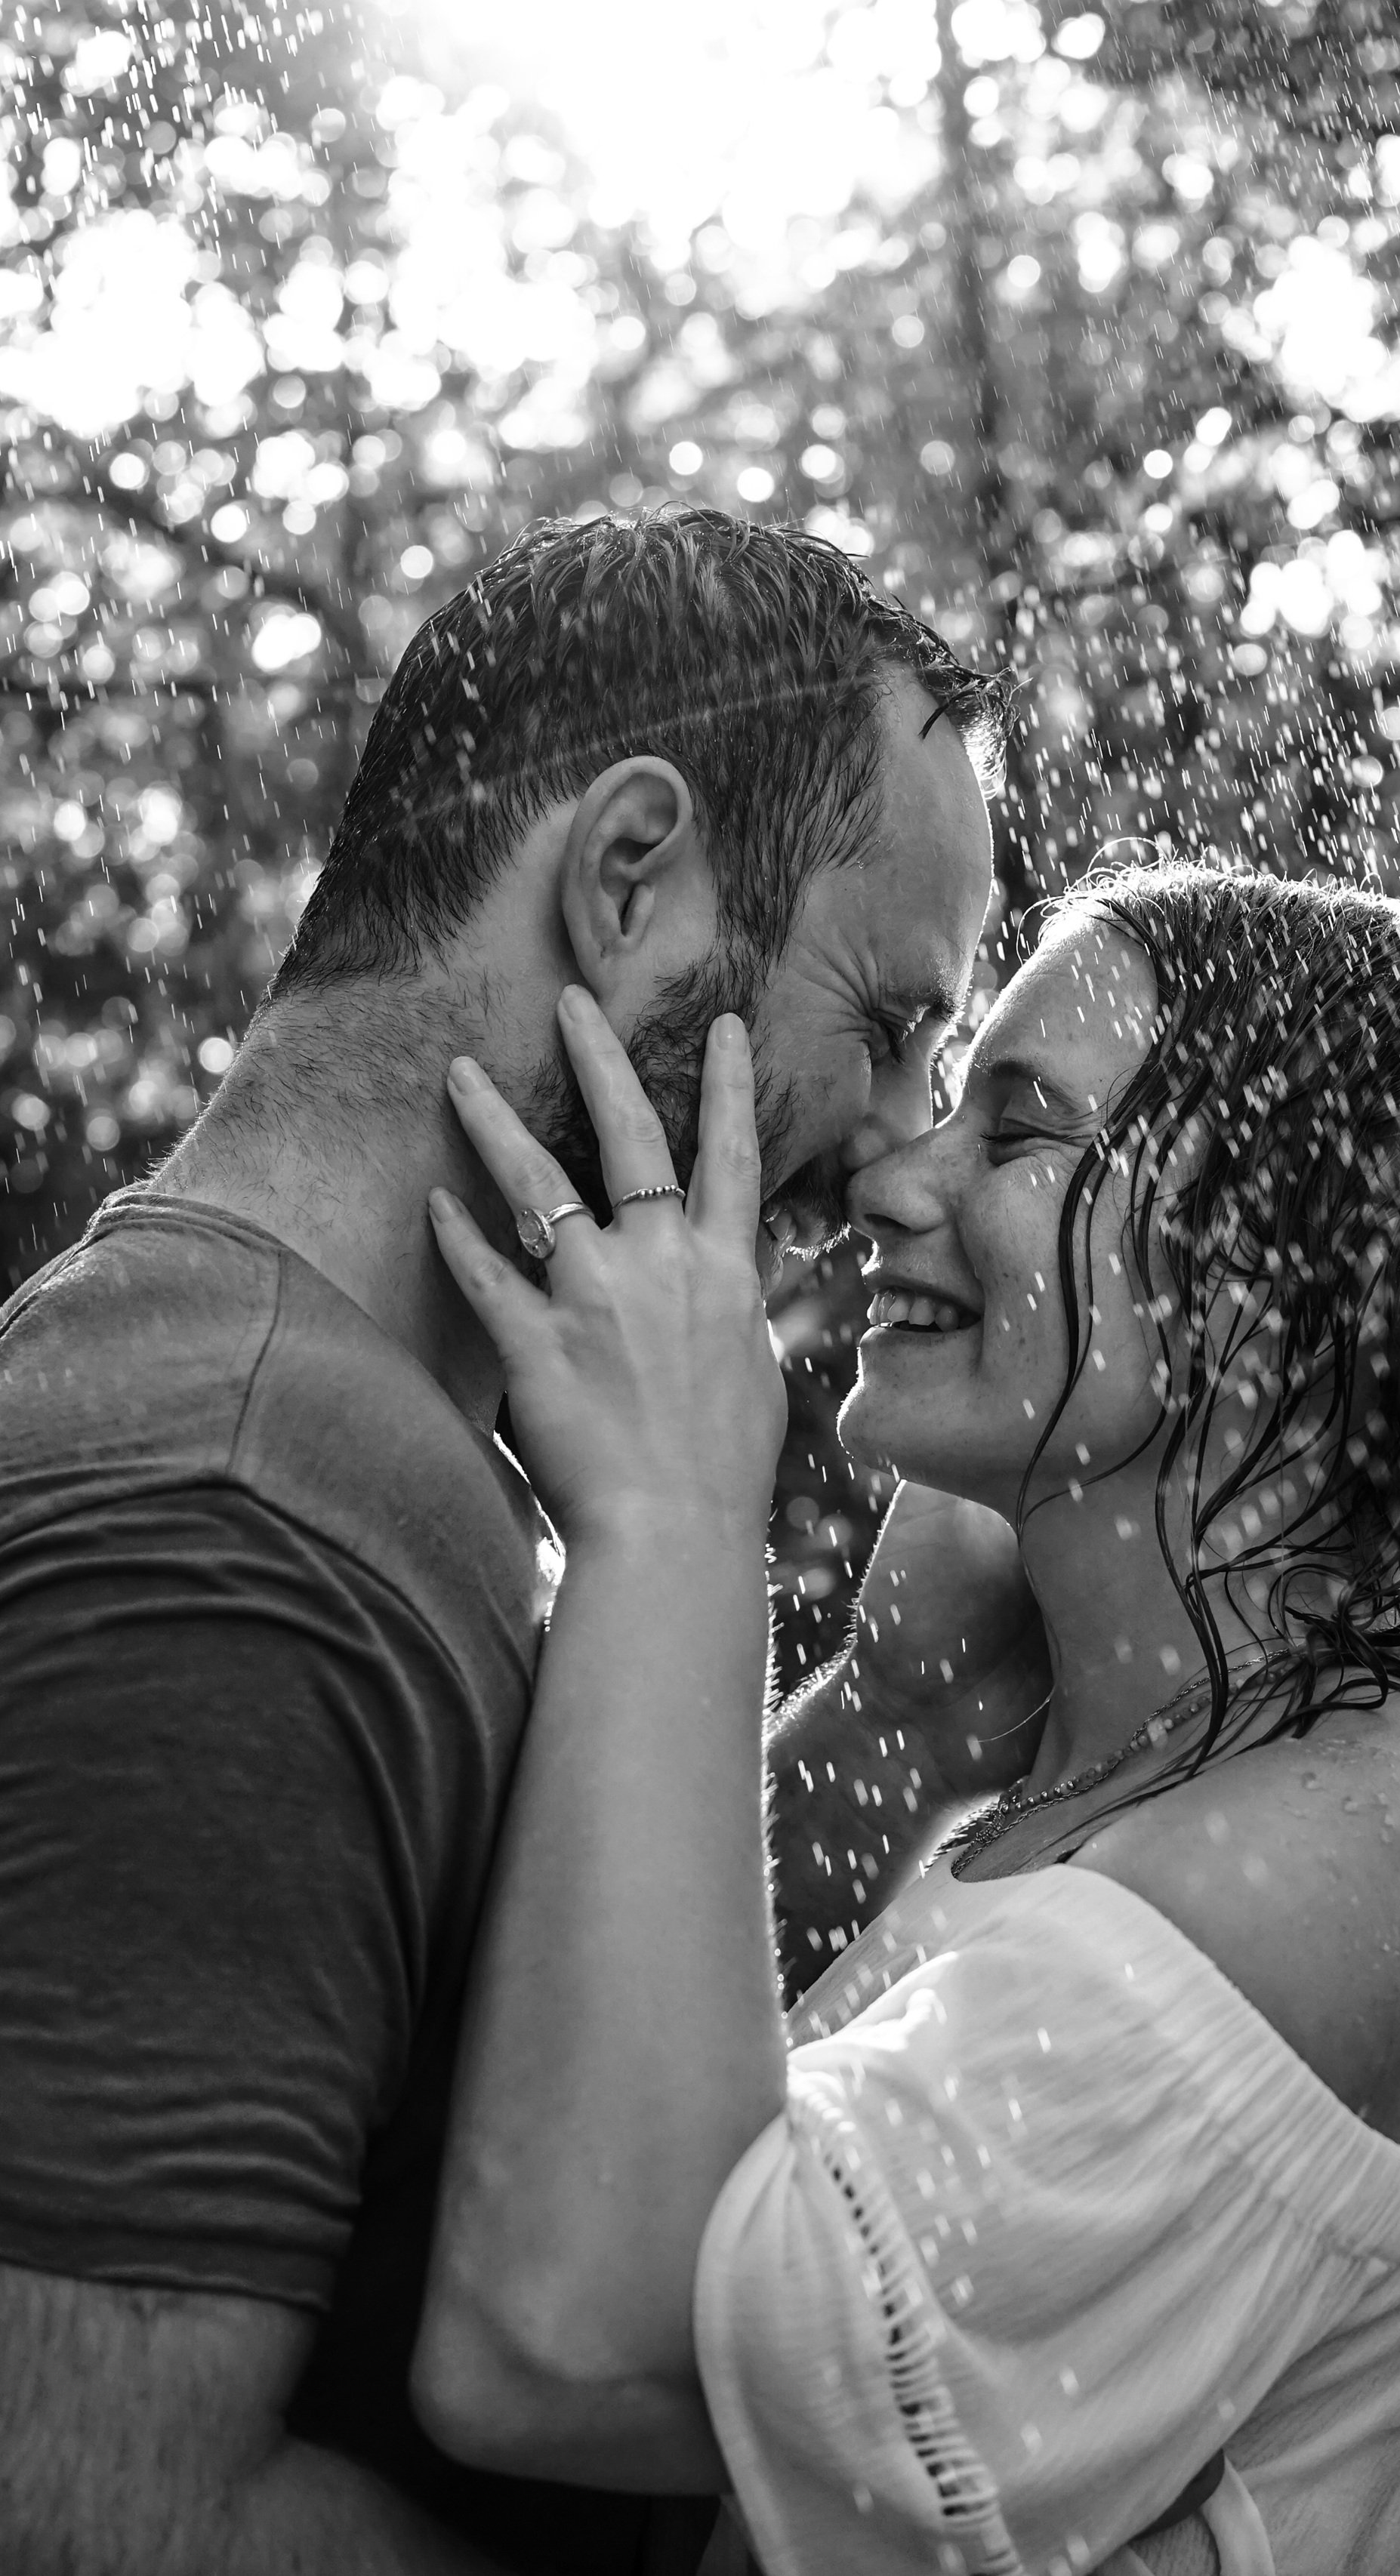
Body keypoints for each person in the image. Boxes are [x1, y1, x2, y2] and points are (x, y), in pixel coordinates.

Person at [0, 510, 1053, 2576]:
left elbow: (439, 2042)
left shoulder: (337, 1424)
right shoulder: (237, 1517)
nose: (912, 1136)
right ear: (629, 876)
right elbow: (86, 2502)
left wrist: (892, 1730)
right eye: (893, 1012)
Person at [411, 862, 1400, 2575]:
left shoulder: (1339, 1872)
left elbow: (569, 2331)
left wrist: (675, 1520)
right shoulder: (1146, 1772)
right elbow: (615, 2107)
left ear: (1265, 1289)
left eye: (1018, 1128)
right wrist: (890, 1717)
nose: (891, 1178)